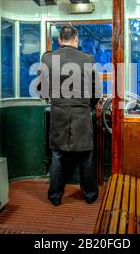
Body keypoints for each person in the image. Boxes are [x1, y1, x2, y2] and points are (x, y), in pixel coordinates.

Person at [37, 25, 100, 206]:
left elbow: (42, 88)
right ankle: (89, 195)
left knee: (57, 155)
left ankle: (55, 196)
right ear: (76, 39)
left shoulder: (48, 58)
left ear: (59, 40)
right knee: (86, 155)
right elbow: (96, 90)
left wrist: (53, 100)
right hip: (82, 114)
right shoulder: (88, 59)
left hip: (58, 113)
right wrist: (89, 106)